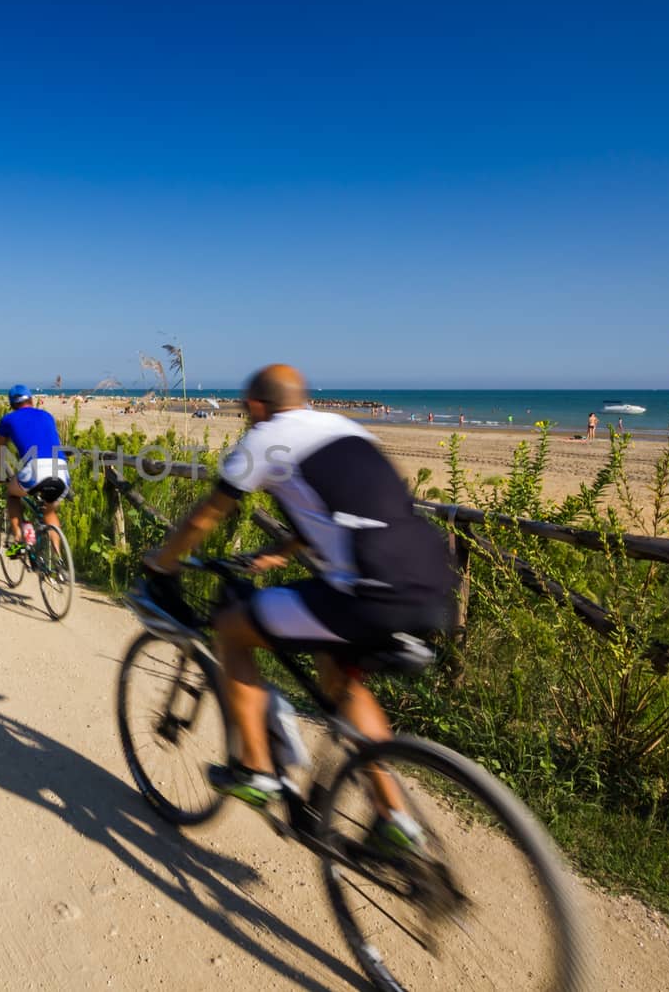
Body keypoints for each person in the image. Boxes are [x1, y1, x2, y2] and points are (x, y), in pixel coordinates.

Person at [144, 365, 454, 852]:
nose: (247, 419)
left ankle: (257, 769)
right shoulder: (346, 428)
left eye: (247, 411)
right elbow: (350, 507)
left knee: (231, 627)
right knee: (341, 675)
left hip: (365, 592)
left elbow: (207, 513)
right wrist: (283, 553)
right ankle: (395, 818)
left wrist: (163, 563)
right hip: (429, 583)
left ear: (259, 407)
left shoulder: (266, 438)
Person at [0, 385, 69, 556]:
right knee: (49, 510)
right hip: (61, 468)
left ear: (11, 405)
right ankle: (59, 561)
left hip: (35, 469)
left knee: (12, 494)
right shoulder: (47, 416)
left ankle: (19, 537)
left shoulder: (8, 420)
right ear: (31, 400)